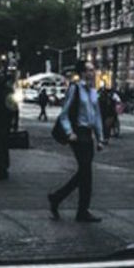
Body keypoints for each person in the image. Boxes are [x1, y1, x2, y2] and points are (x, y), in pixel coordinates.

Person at [48, 59, 105, 223]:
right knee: (86, 171)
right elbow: (64, 113)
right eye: (89, 70)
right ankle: (82, 211)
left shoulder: (93, 91)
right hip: (77, 134)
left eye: (93, 70)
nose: (92, 73)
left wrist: (100, 138)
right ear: (81, 73)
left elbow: (97, 116)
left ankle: (57, 198)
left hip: (88, 134)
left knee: (85, 173)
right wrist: (69, 132)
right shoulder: (75, 89)